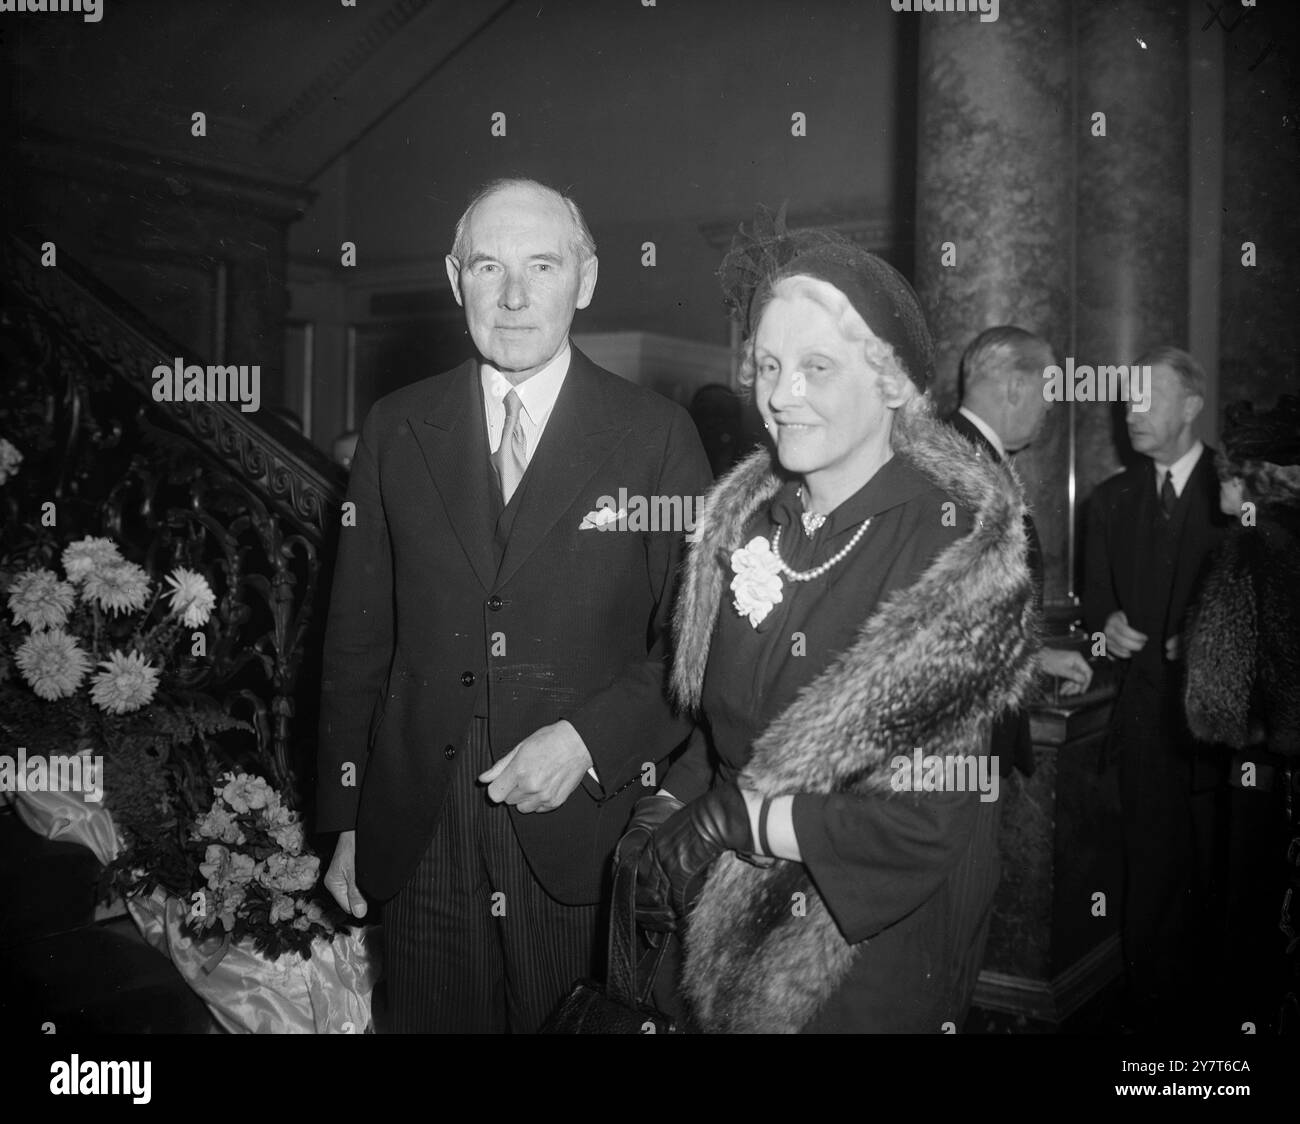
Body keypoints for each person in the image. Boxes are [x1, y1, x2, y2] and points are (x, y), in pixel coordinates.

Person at [315, 178, 711, 1032]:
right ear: (456, 281)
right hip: (421, 830)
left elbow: (692, 645)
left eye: (543, 264)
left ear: (588, 278)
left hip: (578, 835)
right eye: (489, 267)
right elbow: (355, 640)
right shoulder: (397, 426)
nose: (516, 295)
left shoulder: (654, 436)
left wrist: (588, 741)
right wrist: (346, 820)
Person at [625, 227, 1040, 1033]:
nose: (782, 395)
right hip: (727, 921)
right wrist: (663, 809)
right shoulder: (747, 524)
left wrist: (739, 819)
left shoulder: (948, 545)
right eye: (770, 367)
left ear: (892, 384)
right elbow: (720, 732)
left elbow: (921, 821)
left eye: (817, 368)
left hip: (856, 951)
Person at [1082, 346, 1232, 1031]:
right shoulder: (1110, 502)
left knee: (1230, 888)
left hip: (1232, 746)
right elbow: (1092, 616)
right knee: (1149, 887)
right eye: (1127, 400)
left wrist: (1211, 642)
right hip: (1144, 730)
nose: (1131, 413)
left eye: (1147, 398)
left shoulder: (1241, 497)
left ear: (1192, 407)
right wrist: (1103, 627)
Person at [1183, 394, 1300, 1033]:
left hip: (1270, 784)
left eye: (1229, 471)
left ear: (1255, 475)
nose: (1219, 483)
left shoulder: (1254, 548)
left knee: (1256, 930)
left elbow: (1217, 708)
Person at [951, 326, 1093, 781]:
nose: (1049, 407)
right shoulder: (966, 469)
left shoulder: (961, 454)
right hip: (962, 740)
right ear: (1015, 386)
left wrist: (1036, 656)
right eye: (1047, 391)